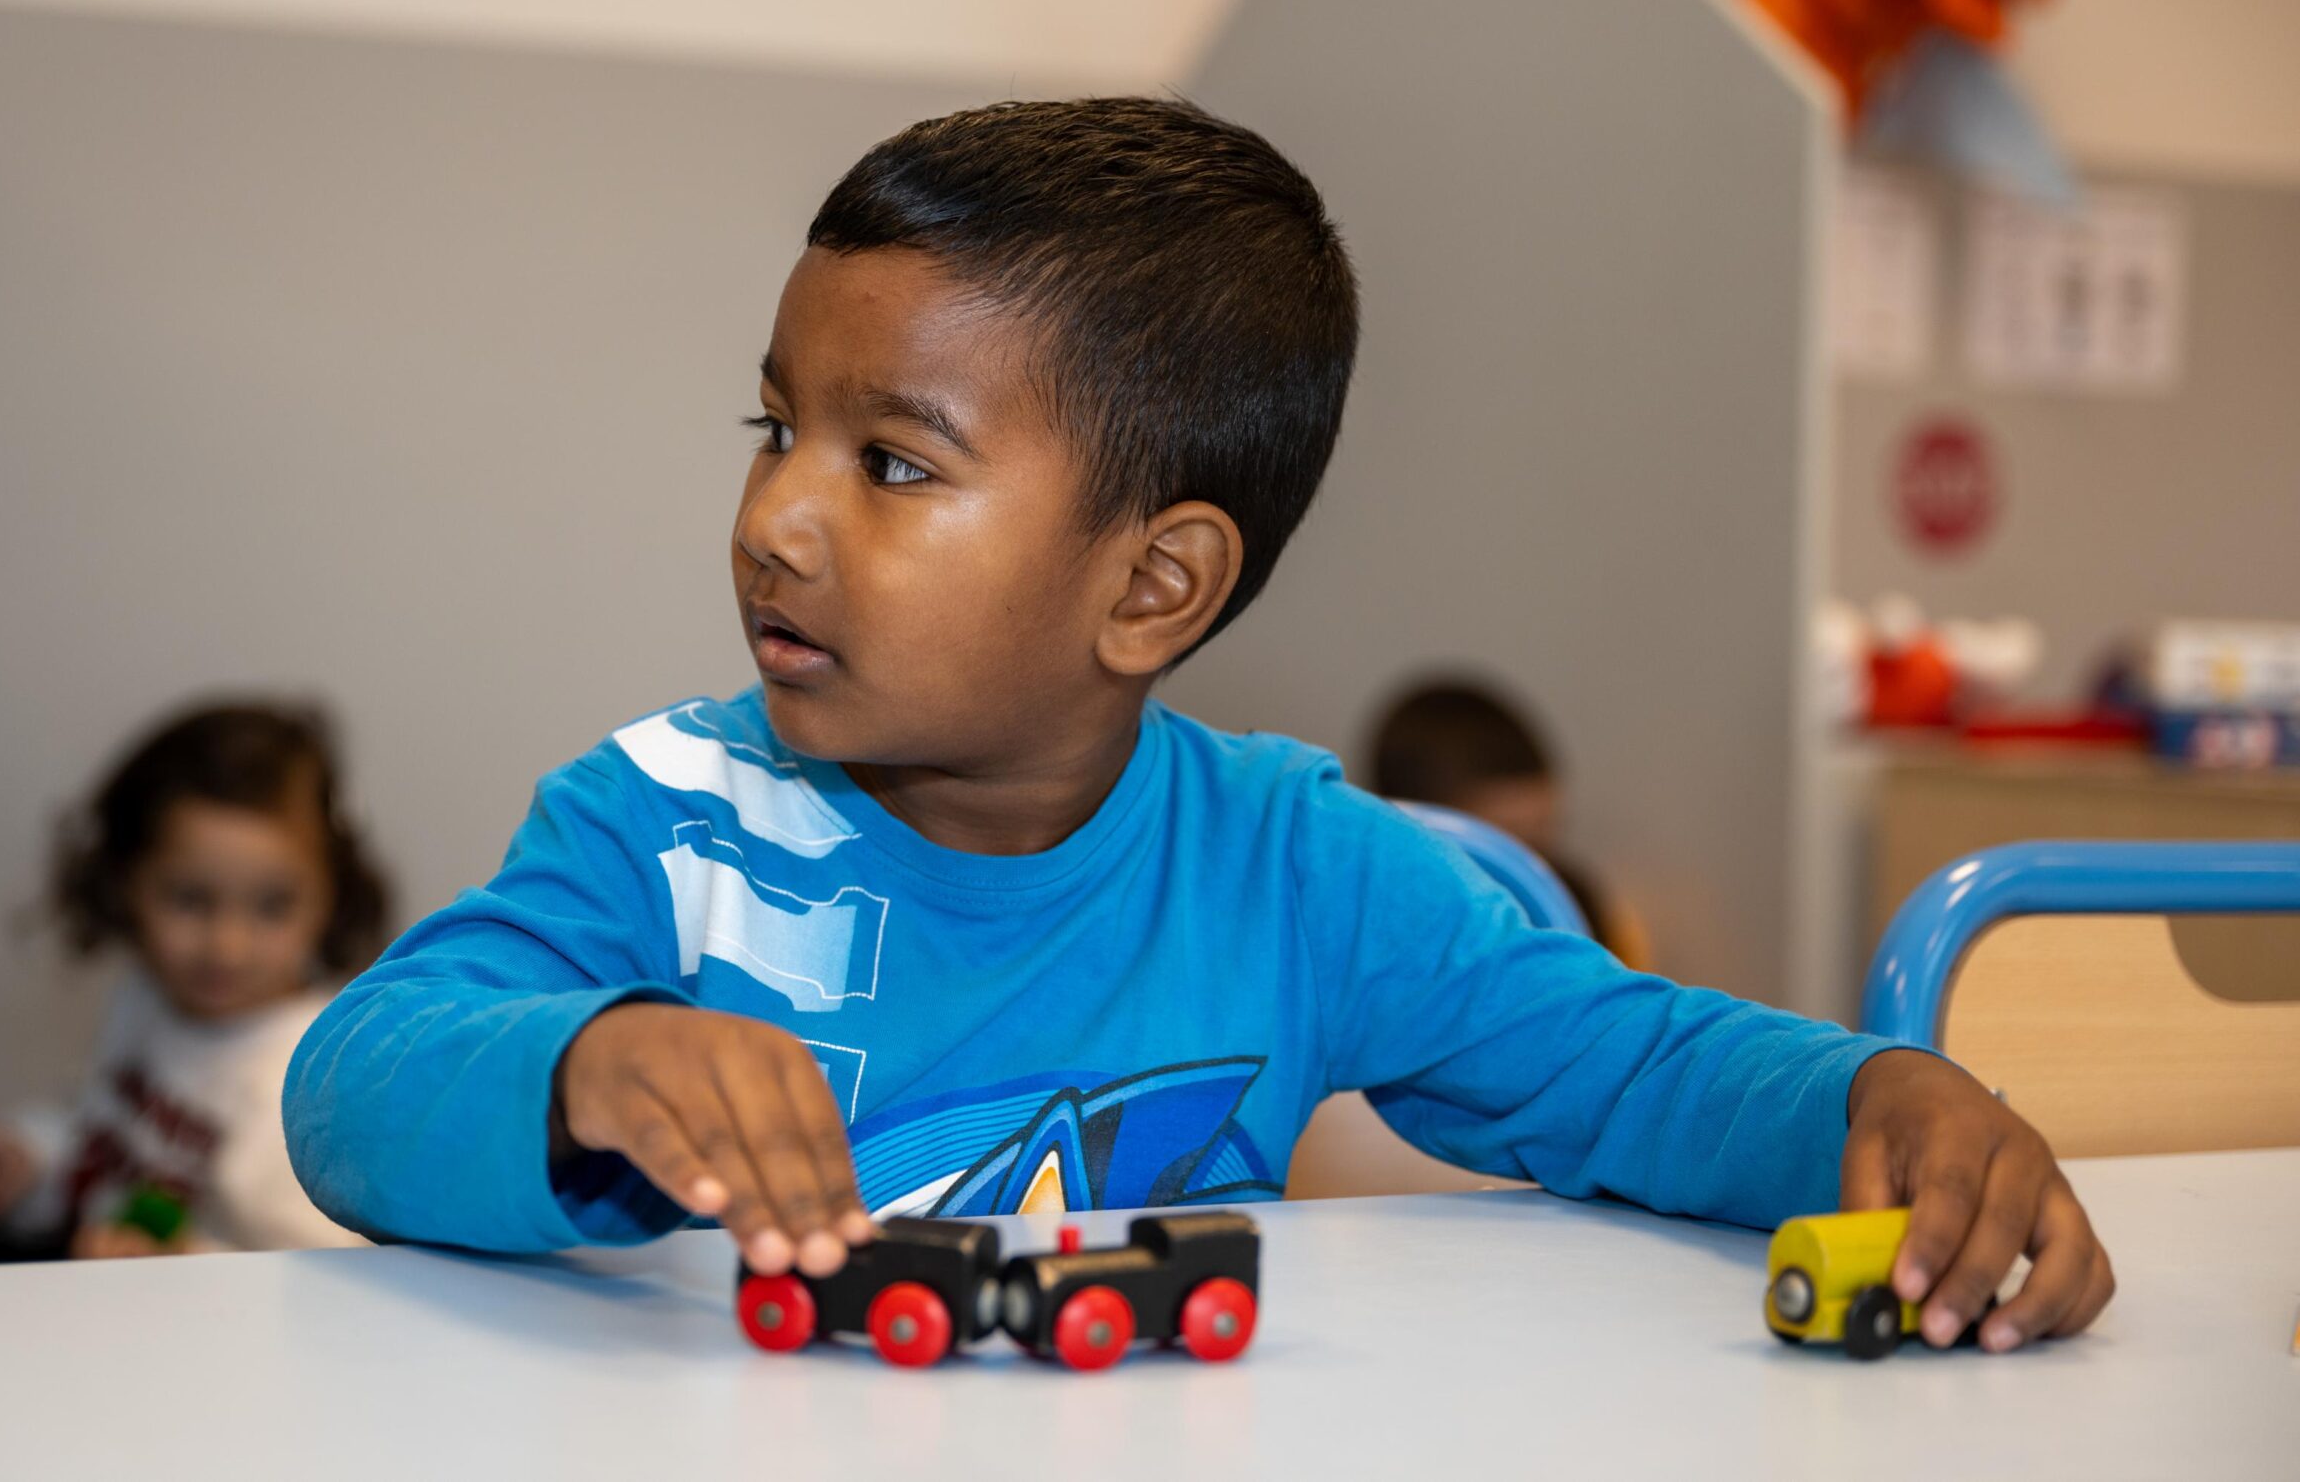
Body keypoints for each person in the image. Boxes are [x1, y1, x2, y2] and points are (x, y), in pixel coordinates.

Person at [285, 99, 2110, 1352]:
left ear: (1154, 588)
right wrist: (588, 1062)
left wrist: (1879, 1097)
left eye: (891, 461)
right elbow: (353, 1084)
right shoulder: (662, 824)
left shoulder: (1298, 867)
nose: (778, 516)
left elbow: (1628, 1068)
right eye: (775, 430)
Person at [0, 702, 384, 1255]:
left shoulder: (311, 1077)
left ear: (331, 897)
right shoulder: (146, 997)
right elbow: (104, 1143)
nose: (227, 946)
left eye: (272, 906)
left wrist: (181, 1264)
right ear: (127, 884)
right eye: (190, 900)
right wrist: (28, 1164)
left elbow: (328, 1284)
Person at [1366, 678, 1654, 969]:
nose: (1534, 865)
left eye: (1544, 836)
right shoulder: (1370, 926)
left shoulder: (1574, 905)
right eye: (1508, 845)